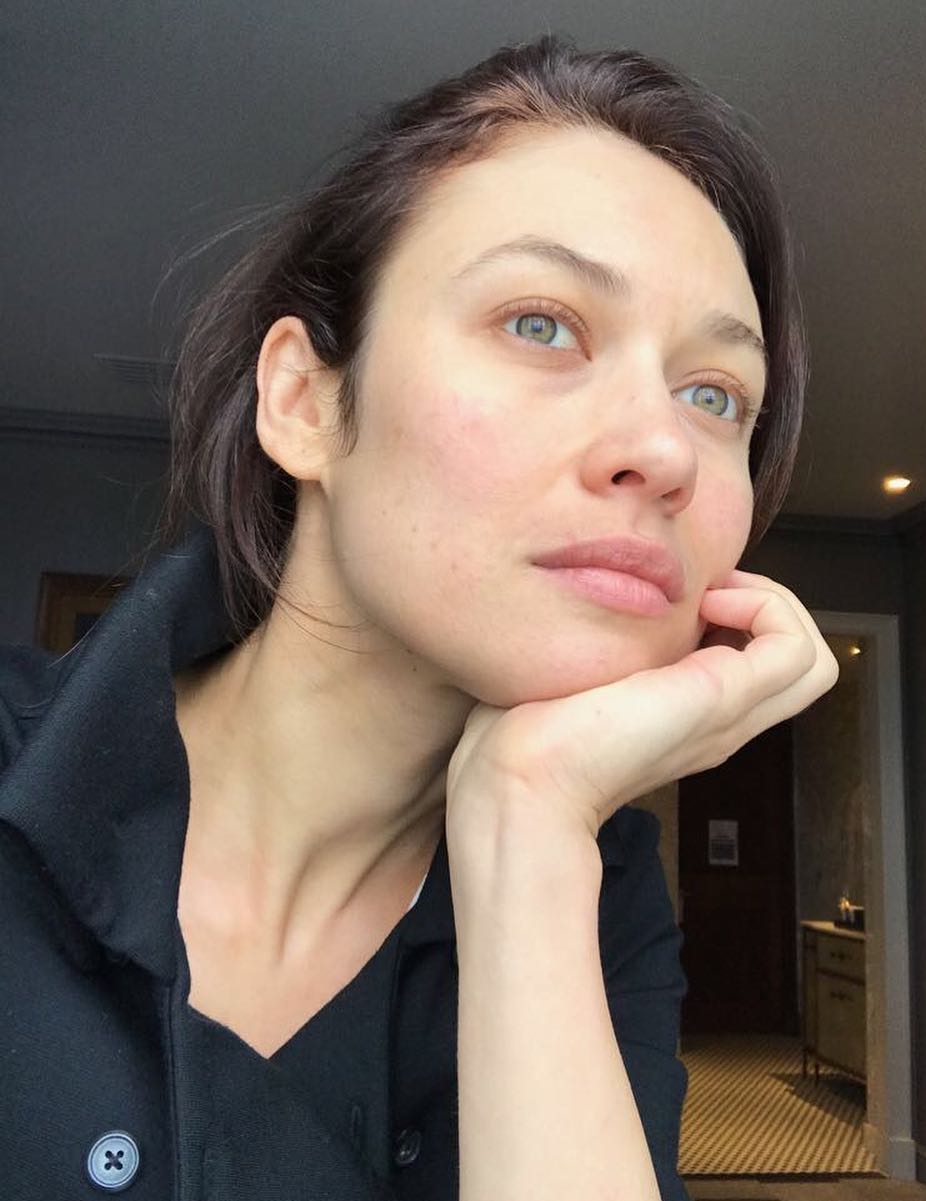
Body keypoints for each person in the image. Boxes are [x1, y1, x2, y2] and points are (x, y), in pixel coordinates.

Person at [0, 33, 838, 1201]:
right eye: (541, 324)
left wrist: (528, 821)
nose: (664, 448)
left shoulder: (603, 900)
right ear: (303, 401)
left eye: (715, 394)